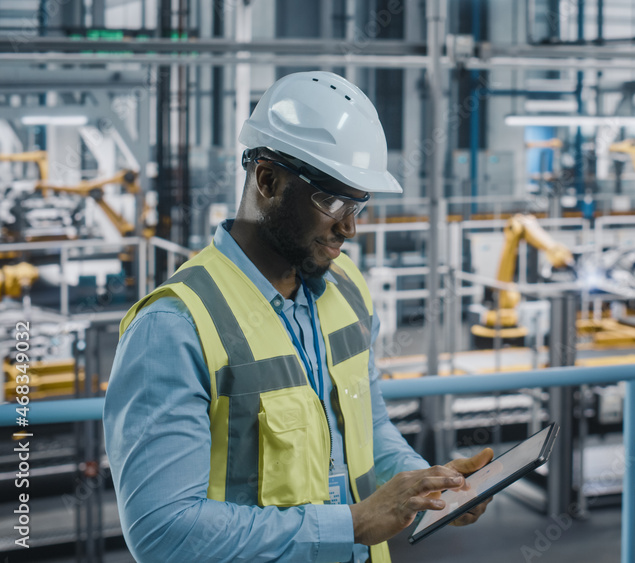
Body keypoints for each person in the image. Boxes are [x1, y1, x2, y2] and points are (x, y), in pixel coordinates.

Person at [104, 71, 492, 562]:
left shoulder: (346, 287)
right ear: (267, 179)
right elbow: (165, 533)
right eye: (333, 200)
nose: (349, 227)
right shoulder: (173, 327)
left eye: (359, 204)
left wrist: (428, 486)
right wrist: (352, 523)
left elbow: (366, 431)